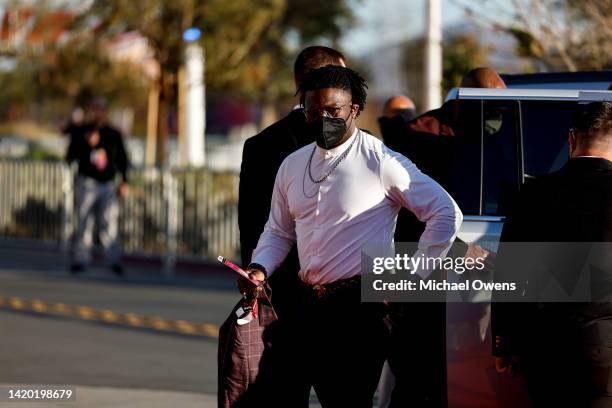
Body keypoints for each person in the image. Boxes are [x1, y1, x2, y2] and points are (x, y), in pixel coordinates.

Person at [241, 65, 462, 407]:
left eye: (333, 110)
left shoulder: (381, 161)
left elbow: (446, 212)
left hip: (359, 310)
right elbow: (279, 231)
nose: (323, 119)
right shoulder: (293, 164)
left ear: (354, 109)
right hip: (305, 304)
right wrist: (259, 267)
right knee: (277, 395)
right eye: (314, 112)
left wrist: (415, 276)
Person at [382, 68, 504, 407]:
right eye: (495, 103)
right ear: (476, 98)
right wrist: (461, 249)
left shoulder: (476, 131)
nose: (499, 115)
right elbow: (412, 222)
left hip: (445, 271)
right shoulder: (423, 137)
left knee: (435, 379)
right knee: (419, 376)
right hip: (420, 272)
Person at [492, 102, 612, 407]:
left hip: (542, 345)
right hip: (603, 344)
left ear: (571, 139)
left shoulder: (533, 194)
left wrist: (504, 343)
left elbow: (511, 274)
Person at [238, 46, 346, 318]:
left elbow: (251, 223)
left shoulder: (260, 145)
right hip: (348, 295)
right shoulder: (364, 145)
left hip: (281, 290)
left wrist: (256, 277)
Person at [66, 98, 129, 275]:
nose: (98, 113)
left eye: (102, 109)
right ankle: (81, 258)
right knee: (84, 221)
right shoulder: (83, 131)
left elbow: (122, 158)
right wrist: (85, 143)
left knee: (108, 221)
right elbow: (70, 155)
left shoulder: (112, 133)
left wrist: (124, 181)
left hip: (107, 183)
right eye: (96, 109)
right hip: (87, 182)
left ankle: (113, 259)